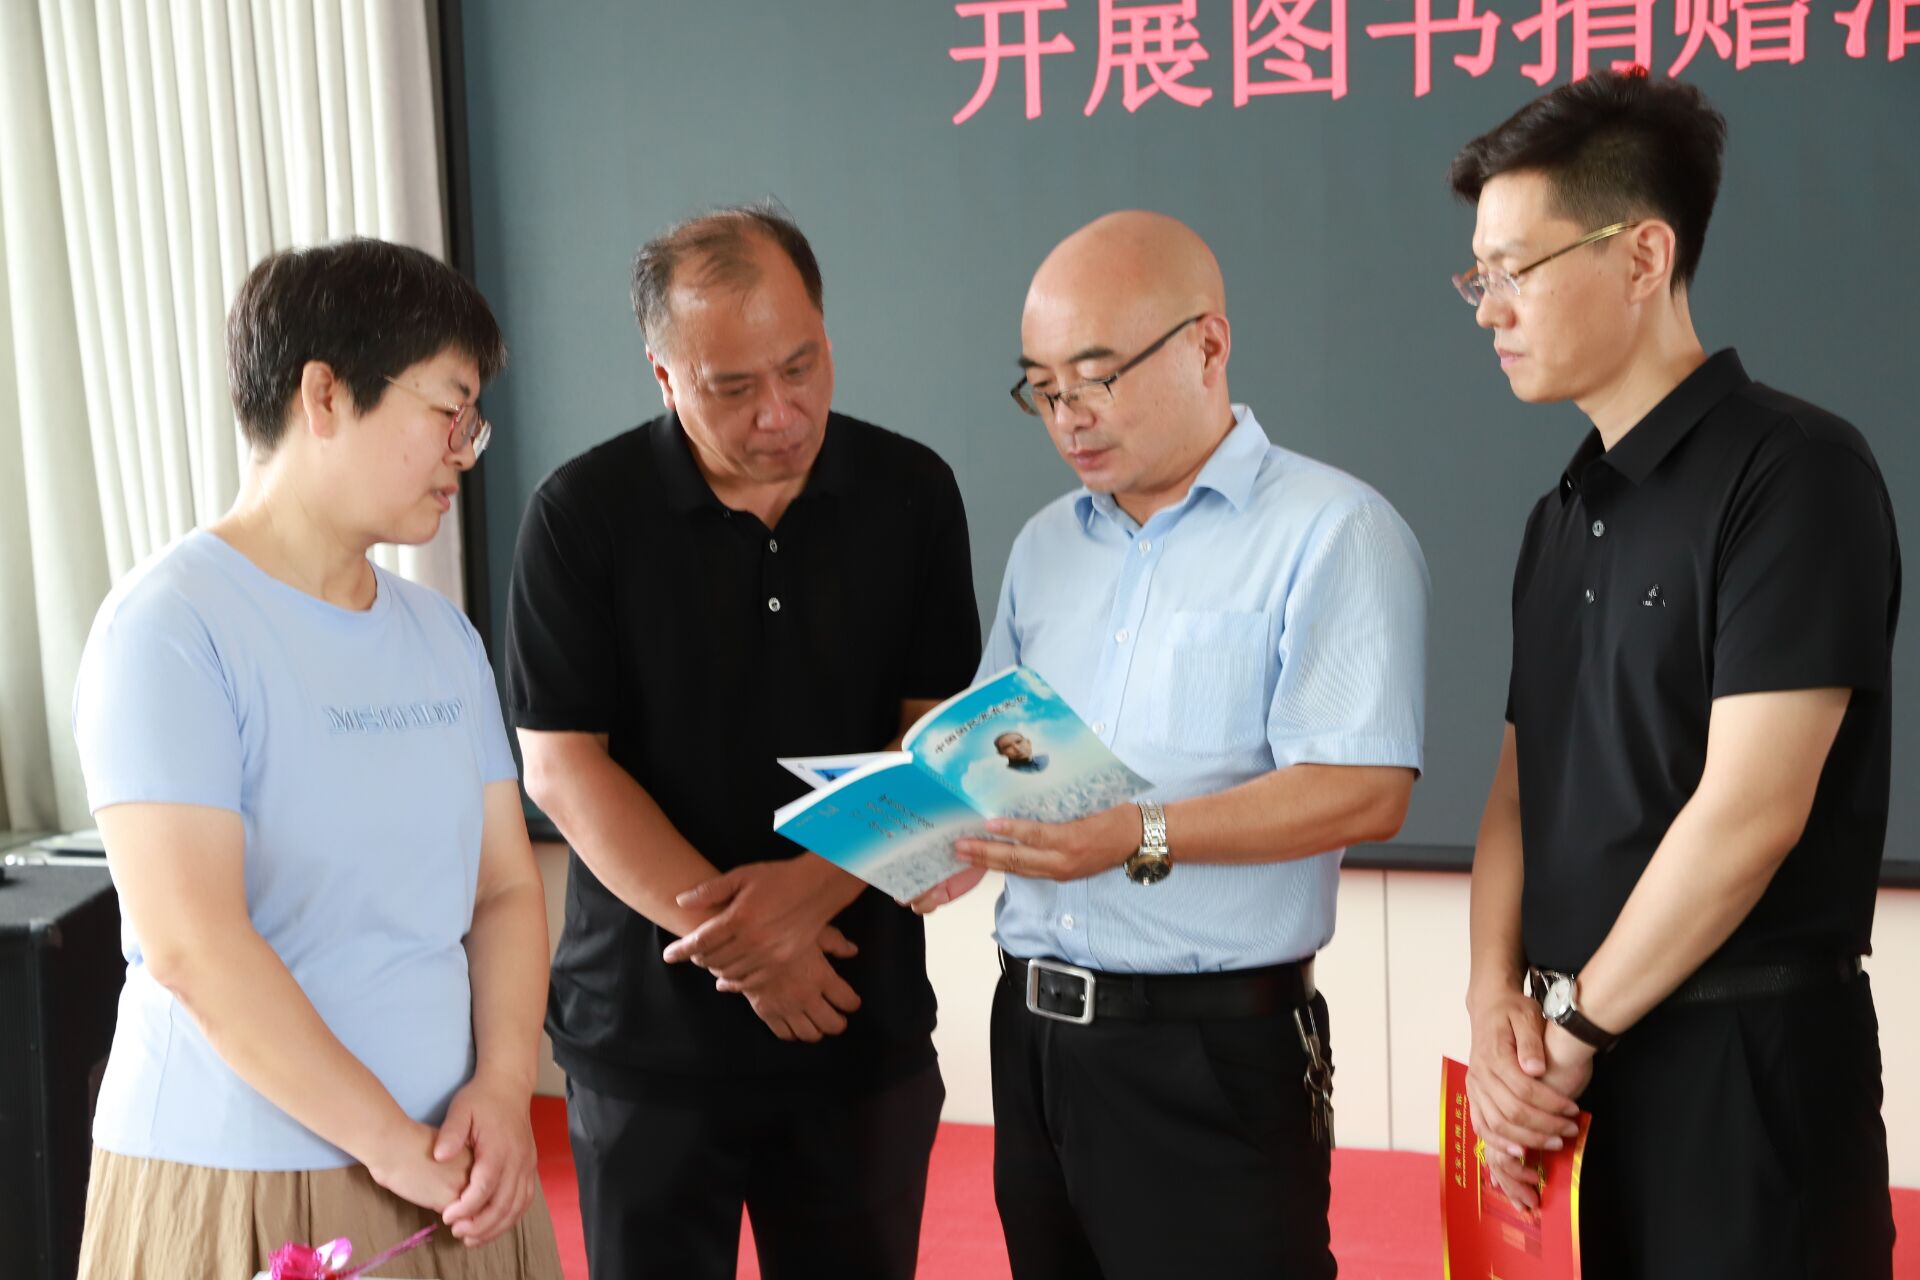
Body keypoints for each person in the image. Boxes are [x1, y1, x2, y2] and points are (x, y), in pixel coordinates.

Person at [912, 210, 1429, 1280]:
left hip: (1208, 1050)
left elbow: (1363, 789)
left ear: (1208, 344)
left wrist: (1135, 833)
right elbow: (1001, 748)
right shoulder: (1047, 544)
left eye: (1096, 377)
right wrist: (945, 835)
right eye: (1042, 389)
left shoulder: (1333, 528)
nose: (1070, 416)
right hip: (1032, 1034)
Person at [1452, 72, 1898, 1277]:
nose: (1491, 310)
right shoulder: (1560, 513)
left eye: (1515, 269)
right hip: (1576, 1072)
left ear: (1644, 255)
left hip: (1744, 1069)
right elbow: (1518, 789)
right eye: (1477, 277)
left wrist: (1572, 1025)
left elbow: (1751, 811)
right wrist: (1495, 1008)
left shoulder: (1795, 471)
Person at [504, 202, 980, 1278]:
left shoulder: (912, 492)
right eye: (732, 387)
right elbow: (564, 767)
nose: (780, 411)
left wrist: (803, 903)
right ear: (665, 376)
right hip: (647, 1037)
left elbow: (937, 746)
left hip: (855, 1016)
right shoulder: (581, 513)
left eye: (801, 366)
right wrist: (749, 950)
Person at [71, 239, 562, 1279]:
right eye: (449, 411)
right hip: (244, 1173)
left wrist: (504, 1085)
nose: (465, 451)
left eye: (473, 422)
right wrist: (390, 1144)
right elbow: (196, 946)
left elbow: (506, 890)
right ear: (325, 394)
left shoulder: (442, 637)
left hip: (457, 1163)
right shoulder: (170, 625)